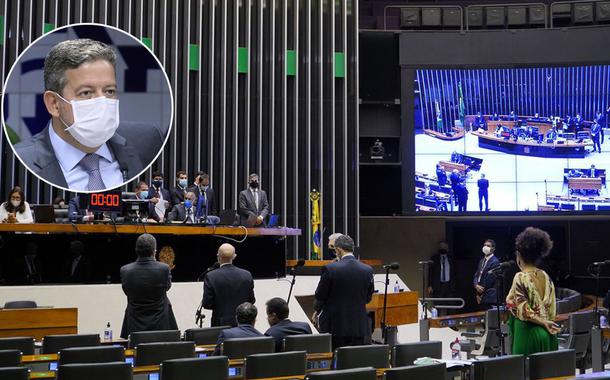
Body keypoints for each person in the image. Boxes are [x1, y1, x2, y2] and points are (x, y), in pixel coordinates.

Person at [13, 39, 163, 191]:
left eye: (109, 91)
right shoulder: (19, 160)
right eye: (86, 93)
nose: (102, 103)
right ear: (54, 104)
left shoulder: (147, 142)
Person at [313, 234, 374, 350]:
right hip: (358, 327)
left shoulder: (330, 269)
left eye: (335, 250)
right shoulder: (368, 270)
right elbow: (367, 298)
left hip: (335, 327)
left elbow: (320, 297)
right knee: (355, 362)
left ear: (339, 250)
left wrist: (316, 310)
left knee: (336, 363)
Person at [506, 227, 560, 355]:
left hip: (527, 335)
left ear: (519, 254)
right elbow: (552, 309)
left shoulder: (520, 277)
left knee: (526, 373)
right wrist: (545, 321)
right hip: (548, 335)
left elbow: (524, 311)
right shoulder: (546, 276)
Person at [119, 234, 178, 338]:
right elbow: (167, 287)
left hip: (134, 324)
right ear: (154, 251)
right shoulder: (164, 269)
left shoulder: (125, 270)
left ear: (136, 250)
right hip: (161, 323)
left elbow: (126, 291)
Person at [203, 243, 256, 327]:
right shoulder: (247, 275)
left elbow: (207, 304)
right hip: (243, 324)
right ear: (234, 256)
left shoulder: (211, 276)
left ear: (218, 256)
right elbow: (251, 300)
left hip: (220, 325)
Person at [427, 241, 456, 316]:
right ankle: (438, 325)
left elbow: (455, 272)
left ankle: (451, 326)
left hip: (449, 285)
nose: (442, 248)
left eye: (444, 247)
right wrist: (429, 285)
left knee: (451, 306)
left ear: (447, 248)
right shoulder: (434, 258)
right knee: (437, 306)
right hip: (438, 286)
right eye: (441, 247)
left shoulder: (451, 258)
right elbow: (430, 272)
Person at [473, 239, 501, 310]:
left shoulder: (495, 262)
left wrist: (480, 293)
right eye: (484, 245)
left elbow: (490, 280)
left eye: (488, 246)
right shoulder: (481, 261)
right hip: (480, 295)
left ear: (493, 249)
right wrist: (476, 285)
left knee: (489, 319)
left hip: (489, 296)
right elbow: (476, 275)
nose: (485, 247)